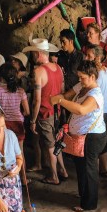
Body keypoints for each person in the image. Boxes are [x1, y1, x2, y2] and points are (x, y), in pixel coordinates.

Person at [50, 60, 107, 212]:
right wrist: (60, 97)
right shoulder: (82, 86)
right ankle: (85, 196)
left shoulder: (96, 94)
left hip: (92, 137)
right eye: (79, 77)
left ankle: (89, 203)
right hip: (80, 135)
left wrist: (60, 101)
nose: (80, 80)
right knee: (81, 168)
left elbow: (81, 110)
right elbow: (68, 95)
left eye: (83, 77)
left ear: (93, 77)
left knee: (89, 169)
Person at [26, 38, 67, 185]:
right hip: (56, 110)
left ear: (38, 54)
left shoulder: (38, 72)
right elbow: (62, 91)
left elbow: (37, 100)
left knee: (49, 146)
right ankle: (63, 170)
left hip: (45, 112)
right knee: (56, 143)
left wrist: (32, 120)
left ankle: (54, 175)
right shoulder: (58, 68)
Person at [84, 45, 107, 176]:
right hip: (106, 109)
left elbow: (94, 93)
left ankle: (93, 172)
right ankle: (105, 168)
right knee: (103, 141)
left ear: (97, 57)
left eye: (89, 56)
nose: (86, 58)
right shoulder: (106, 70)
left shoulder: (97, 74)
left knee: (94, 142)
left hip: (98, 111)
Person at [0, 63, 29, 148]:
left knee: (6, 150)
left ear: (1, 77)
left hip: (3, 124)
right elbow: (27, 111)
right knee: (20, 152)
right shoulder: (20, 91)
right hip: (18, 123)